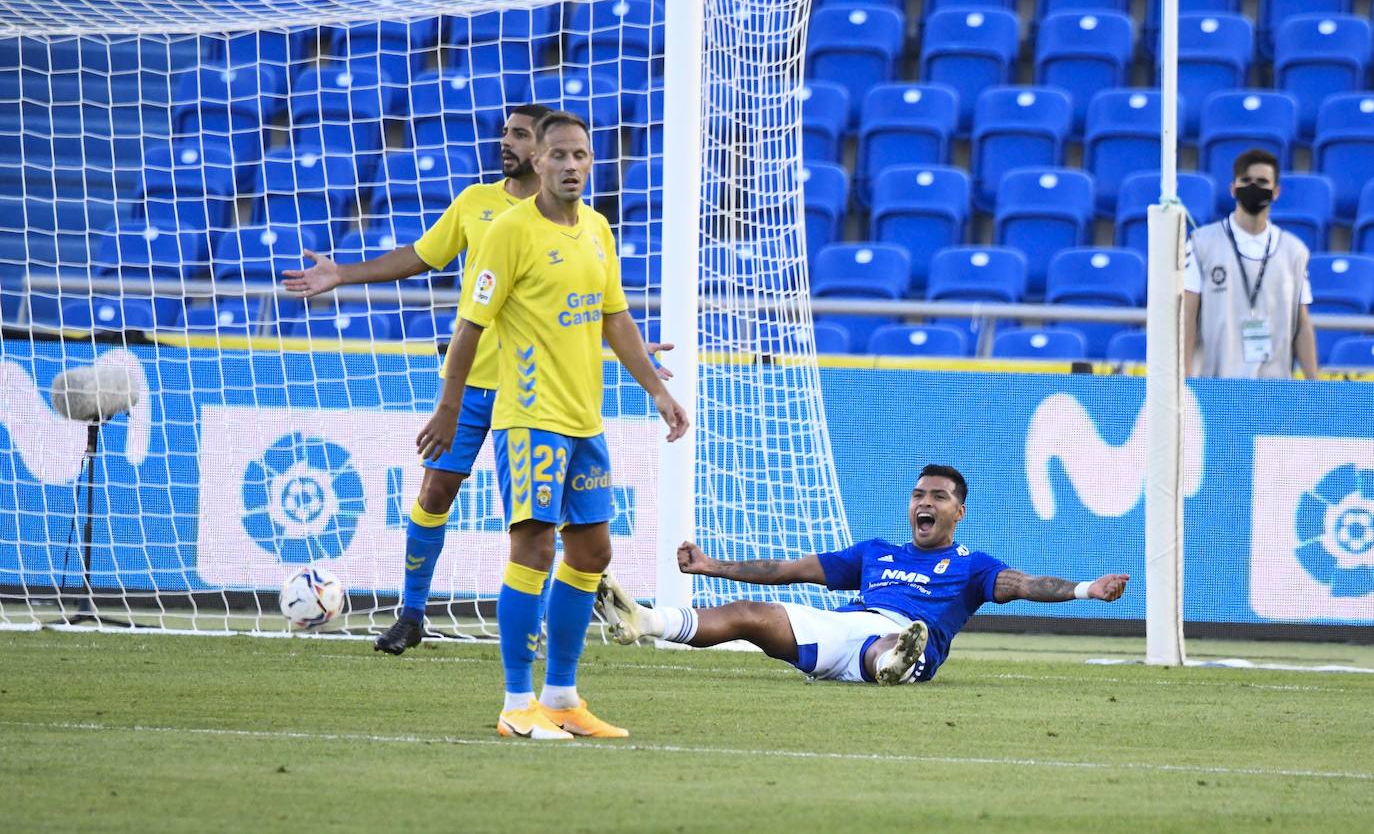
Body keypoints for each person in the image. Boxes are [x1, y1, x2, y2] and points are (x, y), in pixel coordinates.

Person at [282, 105, 672, 656]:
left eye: (518, 135)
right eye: (507, 133)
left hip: (533, 395)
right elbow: (421, 256)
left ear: (541, 151)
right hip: (470, 388)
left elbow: (596, 307)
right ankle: (412, 612)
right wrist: (343, 273)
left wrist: (619, 344)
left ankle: (534, 635)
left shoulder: (585, 227)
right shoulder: (476, 205)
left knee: (542, 527)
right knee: (436, 491)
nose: (505, 143)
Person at [417, 110, 689, 740]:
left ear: (592, 163)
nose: (571, 166)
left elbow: (614, 316)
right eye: (559, 155)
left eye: (581, 156)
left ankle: (562, 697)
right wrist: (450, 405)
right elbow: (469, 329)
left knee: (593, 551)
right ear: (537, 162)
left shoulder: (597, 228)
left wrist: (655, 388)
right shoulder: (509, 232)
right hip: (529, 418)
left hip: (583, 418)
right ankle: (517, 703)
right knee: (534, 546)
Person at [595, 464, 1129, 686]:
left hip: (897, 636)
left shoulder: (972, 564)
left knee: (892, 644)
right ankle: (644, 619)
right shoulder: (876, 553)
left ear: (958, 512)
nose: (925, 502)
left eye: (938, 497)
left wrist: (1086, 588)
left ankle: (897, 660)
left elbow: (1025, 585)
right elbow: (791, 569)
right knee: (750, 616)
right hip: (843, 628)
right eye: (919, 494)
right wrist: (713, 565)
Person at [1184, 148, 1319, 379]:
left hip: (1273, 389)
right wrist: (1183, 379)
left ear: (1276, 192)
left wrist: (1315, 383)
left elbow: (1302, 322)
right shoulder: (1202, 243)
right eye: (1246, 180)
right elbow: (1187, 314)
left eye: (1262, 181)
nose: (1254, 187)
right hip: (1215, 385)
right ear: (1233, 188)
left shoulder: (1294, 251)